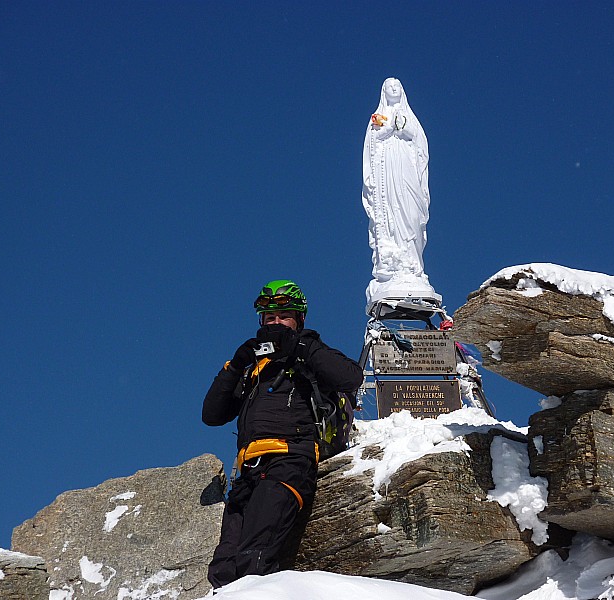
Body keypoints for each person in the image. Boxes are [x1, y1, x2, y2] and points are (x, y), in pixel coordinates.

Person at [202, 279, 363, 588]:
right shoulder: (254, 367)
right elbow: (212, 415)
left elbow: (350, 377)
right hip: (247, 473)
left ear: (299, 319)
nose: (275, 323)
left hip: (288, 463)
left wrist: (300, 345)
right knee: (223, 569)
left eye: (283, 316)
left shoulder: (308, 351)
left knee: (254, 558)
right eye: (269, 317)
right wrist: (235, 366)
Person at [362, 77, 431, 284]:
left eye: (397, 86)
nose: (394, 89)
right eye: (390, 87)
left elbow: (418, 140)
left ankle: (412, 262)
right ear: (384, 91)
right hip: (387, 167)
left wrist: (401, 127)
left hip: (405, 166)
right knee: (391, 209)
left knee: (410, 213)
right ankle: (390, 264)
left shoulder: (410, 116)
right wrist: (389, 127)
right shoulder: (377, 116)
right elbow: (373, 142)